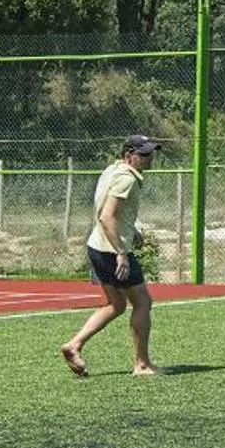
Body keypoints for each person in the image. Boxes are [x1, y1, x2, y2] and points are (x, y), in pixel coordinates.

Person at [61, 134, 162, 378]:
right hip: (111, 250)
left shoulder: (113, 169)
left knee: (116, 304)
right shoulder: (127, 179)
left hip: (97, 246)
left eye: (151, 153)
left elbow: (108, 210)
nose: (149, 158)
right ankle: (142, 364)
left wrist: (131, 229)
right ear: (129, 156)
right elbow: (107, 216)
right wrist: (121, 253)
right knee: (142, 302)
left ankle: (74, 345)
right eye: (143, 154)